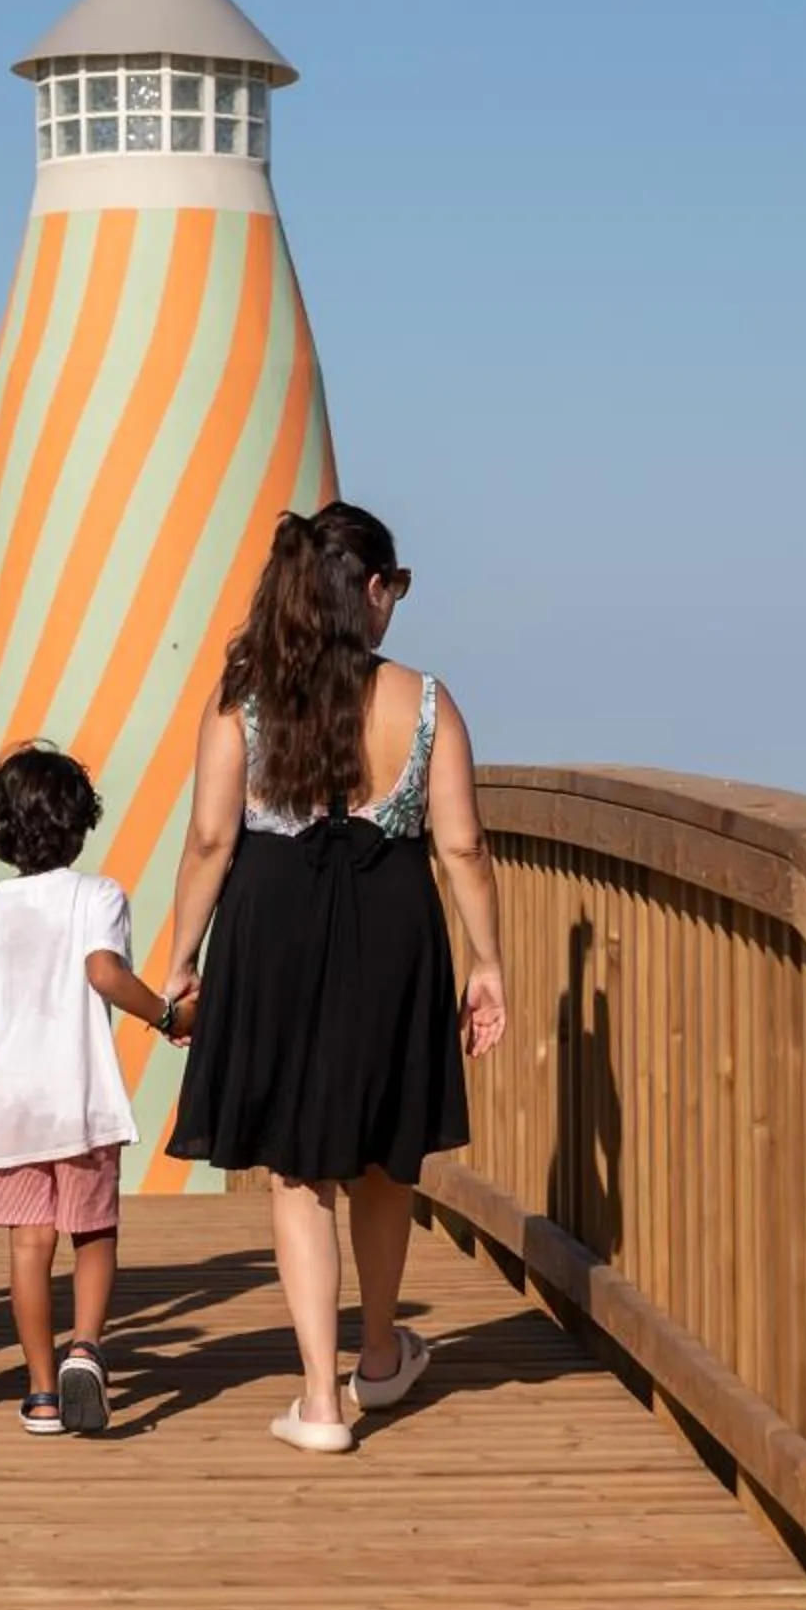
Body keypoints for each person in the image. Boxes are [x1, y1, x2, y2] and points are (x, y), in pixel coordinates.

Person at [162, 502, 507, 1455]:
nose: (395, 603)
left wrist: (183, 960)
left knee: (299, 1165)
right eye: (393, 586)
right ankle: (383, 1352)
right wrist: (488, 962)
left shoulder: (245, 693)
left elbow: (208, 840)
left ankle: (321, 1401)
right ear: (366, 589)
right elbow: (464, 846)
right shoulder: (426, 699)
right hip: (392, 923)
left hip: (273, 924)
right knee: (384, 1150)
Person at [0, 745, 177, 1436]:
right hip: (79, 1098)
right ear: (79, 825)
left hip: (9, 1105)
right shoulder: (98, 896)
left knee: (28, 1248)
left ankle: (42, 1392)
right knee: (94, 1231)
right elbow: (104, 972)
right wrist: (164, 1014)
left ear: (0, 829)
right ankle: (86, 1349)